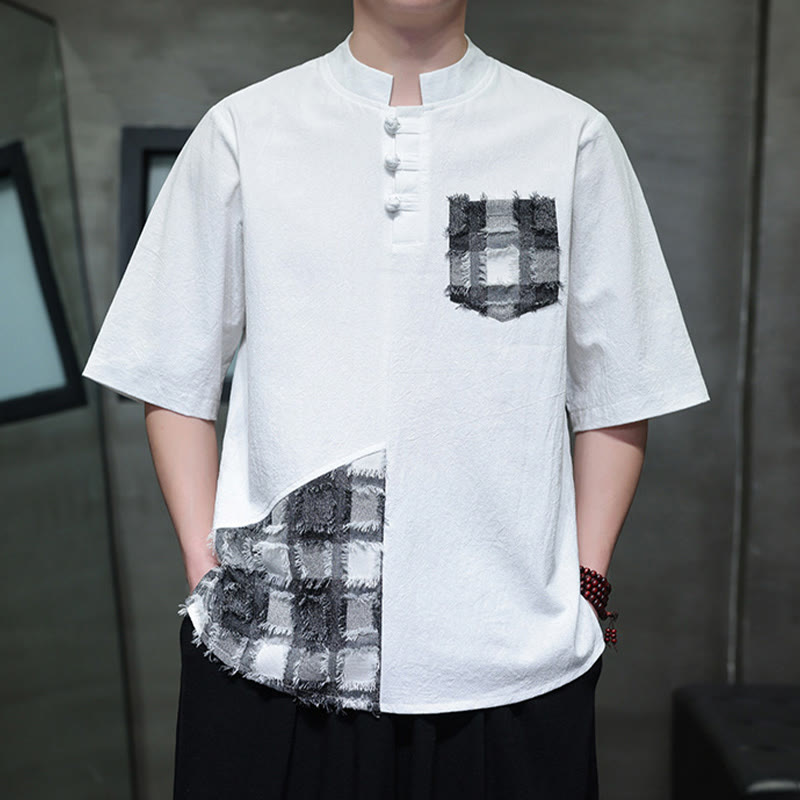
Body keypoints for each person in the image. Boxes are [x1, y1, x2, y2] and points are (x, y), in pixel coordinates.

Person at [81, 1, 711, 798]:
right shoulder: (244, 131)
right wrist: (207, 570)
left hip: (515, 662)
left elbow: (620, 390)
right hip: (270, 652)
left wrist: (583, 592)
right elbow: (171, 372)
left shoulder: (570, 137)